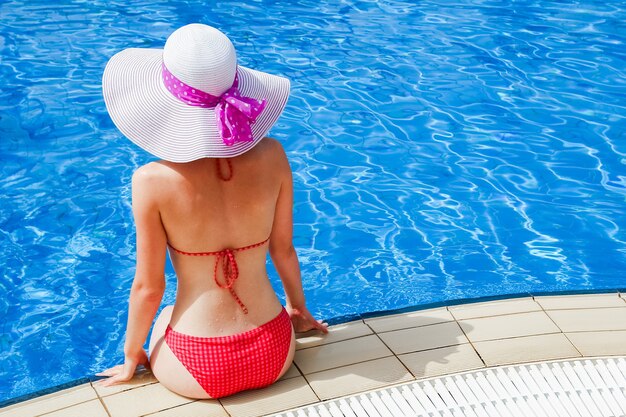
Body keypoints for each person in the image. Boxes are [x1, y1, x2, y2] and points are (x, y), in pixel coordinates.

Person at [97, 23, 327, 399]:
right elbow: (283, 250)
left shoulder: (152, 181)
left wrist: (130, 355)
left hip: (196, 366)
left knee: (170, 310)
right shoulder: (273, 156)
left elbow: (148, 288)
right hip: (274, 351)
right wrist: (299, 312)